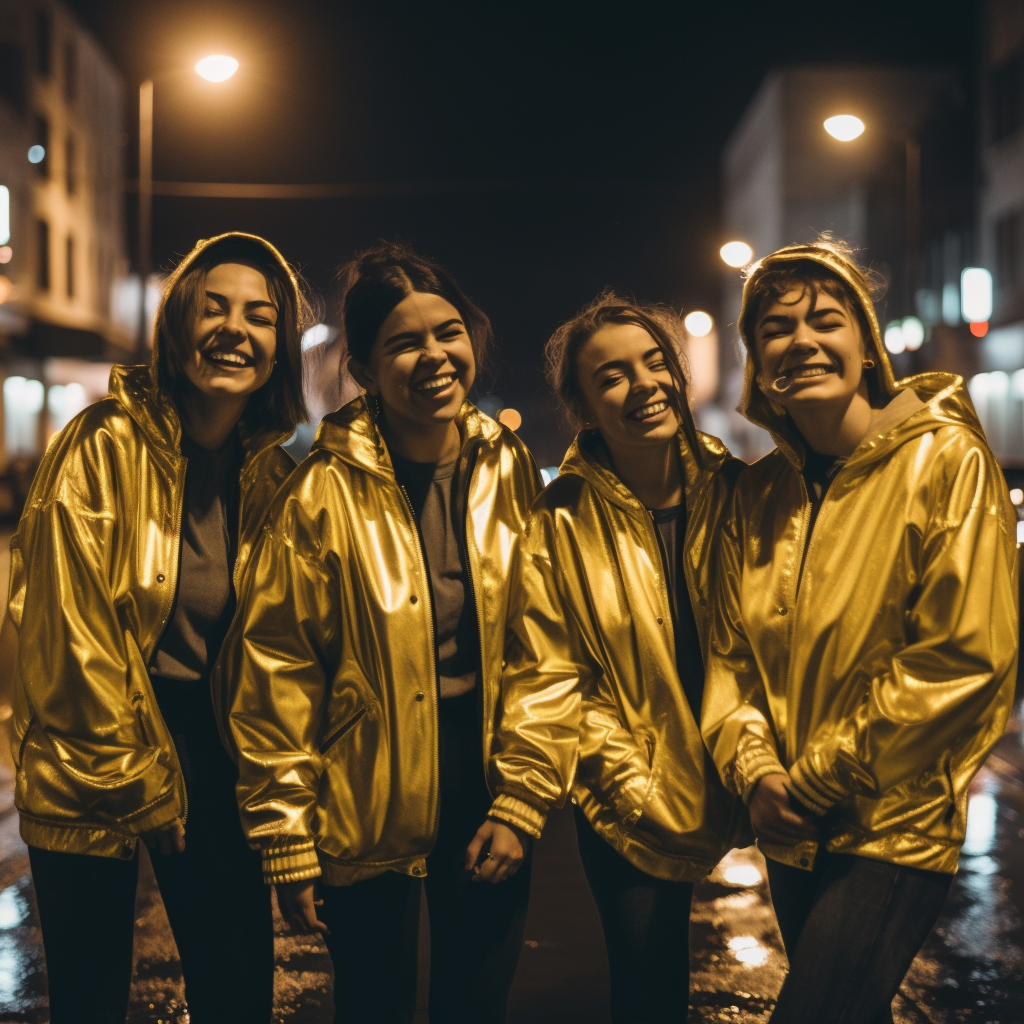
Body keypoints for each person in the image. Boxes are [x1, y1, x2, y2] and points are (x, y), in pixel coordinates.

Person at [218, 242, 541, 1024]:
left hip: (488, 780)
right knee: (372, 1006)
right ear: (362, 367)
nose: (434, 356)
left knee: (477, 1004)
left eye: (448, 333)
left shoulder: (507, 466)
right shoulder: (320, 492)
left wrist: (524, 797)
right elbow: (276, 670)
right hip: (360, 787)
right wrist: (285, 835)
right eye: (404, 342)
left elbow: (544, 645)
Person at [701, 238, 1019, 1024]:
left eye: (826, 320)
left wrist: (812, 781)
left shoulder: (944, 459)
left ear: (866, 344)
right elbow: (729, 655)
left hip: (890, 824)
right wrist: (756, 772)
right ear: (757, 359)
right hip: (790, 826)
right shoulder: (762, 492)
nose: (801, 340)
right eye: (775, 328)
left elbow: (963, 655)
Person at [9, 232, 308, 1024]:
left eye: (259, 316)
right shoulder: (101, 443)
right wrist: (143, 783)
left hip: (214, 749)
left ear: (281, 349)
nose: (234, 330)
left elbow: (285, 650)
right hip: (88, 749)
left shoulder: (275, 479)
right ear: (176, 325)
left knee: (238, 987)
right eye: (213, 309)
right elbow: (69, 633)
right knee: (90, 997)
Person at [480, 293, 746, 1024]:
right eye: (613, 377)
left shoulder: (741, 495)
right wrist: (532, 795)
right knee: (649, 988)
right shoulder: (560, 518)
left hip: (755, 770)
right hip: (628, 783)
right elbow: (549, 671)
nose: (645, 385)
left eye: (655, 363)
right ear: (584, 407)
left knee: (833, 981)